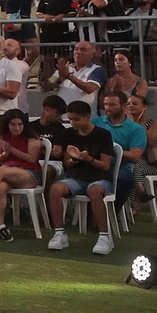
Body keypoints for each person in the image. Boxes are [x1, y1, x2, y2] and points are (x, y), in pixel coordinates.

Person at [45, 101, 122, 255]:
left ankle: (104, 237)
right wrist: (73, 159)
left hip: (100, 178)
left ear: (87, 117)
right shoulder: (68, 134)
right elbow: (67, 162)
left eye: (76, 119)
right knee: (55, 189)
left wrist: (89, 160)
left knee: (94, 191)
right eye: (71, 119)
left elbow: (106, 166)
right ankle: (60, 233)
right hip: (76, 178)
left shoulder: (102, 135)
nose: (72, 123)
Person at [0, 109, 42, 242]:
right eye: (13, 124)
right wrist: (4, 155)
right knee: (0, 186)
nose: (17, 128)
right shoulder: (2, 137)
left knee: (1, 171)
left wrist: (11, 149)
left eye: (20, 124)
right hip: (8, 173)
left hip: (29, 173)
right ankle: (1, 225)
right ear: (7, 125)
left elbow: (31, 158)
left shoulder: (32, 137)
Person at [96, 90, 146, 215]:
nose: (108, 108)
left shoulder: (136, 129)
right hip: (97, 164)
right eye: (106, 104)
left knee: (124, 178)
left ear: (124, 106)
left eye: (112, 105)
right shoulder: (96, 122)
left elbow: (135, 156)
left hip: (121, 167)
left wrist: (109, 151)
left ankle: (112, 212)